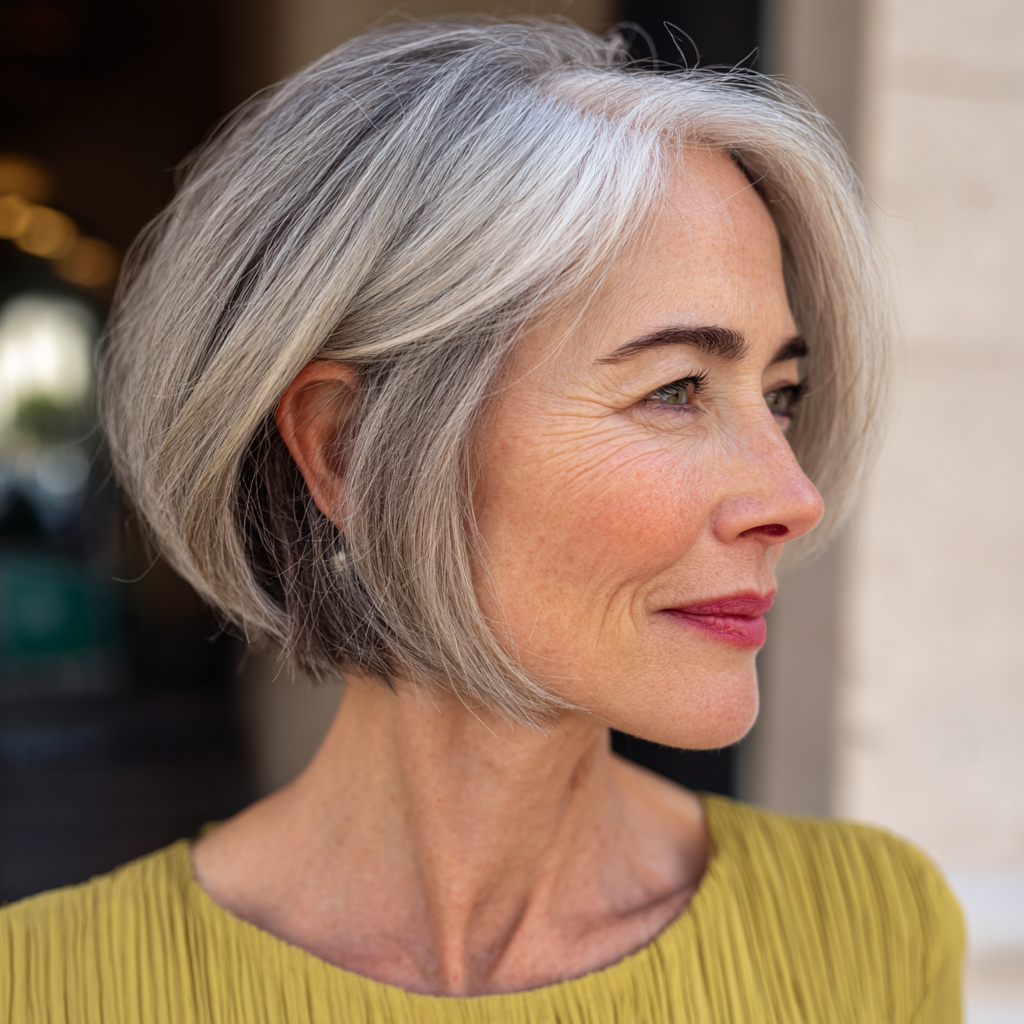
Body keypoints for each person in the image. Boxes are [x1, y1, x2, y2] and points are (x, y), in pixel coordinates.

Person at [0, 18, 963, 1023]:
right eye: (676, 389)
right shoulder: (46, 987)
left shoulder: (869, 935)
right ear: (346, 449)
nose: (792, 496)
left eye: (779, 395)